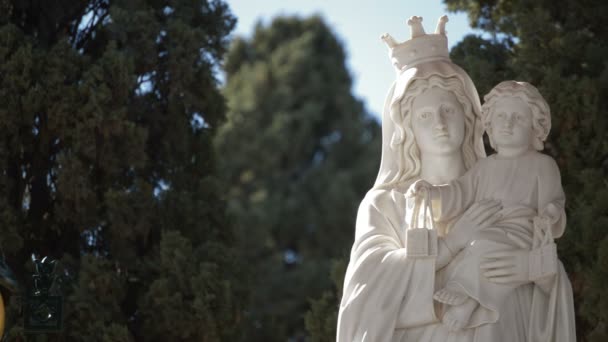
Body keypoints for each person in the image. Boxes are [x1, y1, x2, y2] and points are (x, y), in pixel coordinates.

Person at [336, 16, 576, 342]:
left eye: (448, 110)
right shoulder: (385, 204)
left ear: (468, 115)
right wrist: (451, 245)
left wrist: (535, 272)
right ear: (406, 131)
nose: (439, 123)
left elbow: (546, 263)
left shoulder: (499, 185)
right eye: (424, 116)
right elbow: (365, 303)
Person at [412, 81, 567, 332]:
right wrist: (434, 196)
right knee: (482, 246)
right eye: (502, 117)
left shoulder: (542, 165)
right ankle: (469, 298)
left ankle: (465, 299)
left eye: (518, 118)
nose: (508, 124)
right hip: (489, 232)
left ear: (535, 127)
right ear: (490, 125)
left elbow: (554, 202)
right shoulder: (484, 168)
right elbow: (460, 192)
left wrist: (551, 215)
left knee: (485, 246)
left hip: (522, 234)